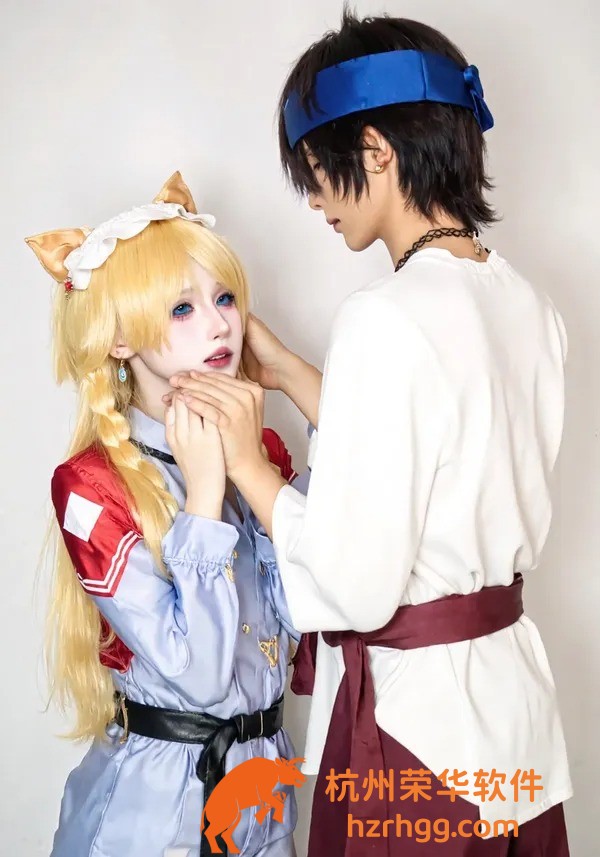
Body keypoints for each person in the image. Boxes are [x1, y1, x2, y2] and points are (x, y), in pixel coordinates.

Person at [169, 11, 572, 857]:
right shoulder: (527, 303)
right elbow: (447, 449)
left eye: (316, 173)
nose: (315, 201)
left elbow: (356, 585)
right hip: (512, 721)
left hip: (419, 736)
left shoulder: (384, 317)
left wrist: (249, 466)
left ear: (376, 151)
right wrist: (291, 372)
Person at [26, 171, 303, 857]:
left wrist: (252, 463)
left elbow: (316, 612)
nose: (219, 323)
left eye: (225, 297)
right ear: (121, 338)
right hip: (155, 815)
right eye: (182, 308)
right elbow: (202, 677)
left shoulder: (261, 450)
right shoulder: (90, 487)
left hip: (265, 794)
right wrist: (205, 498)